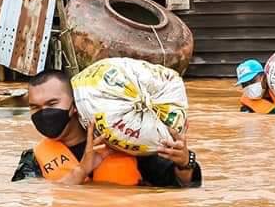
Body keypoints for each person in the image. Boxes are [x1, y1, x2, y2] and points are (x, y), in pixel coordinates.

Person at [12, 69, 202, 187]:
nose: (43, 113)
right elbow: (31, 201)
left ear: (75, 104)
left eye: (52, 104)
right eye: (35, 107)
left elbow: (182, 189)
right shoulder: (33, 159)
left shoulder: (127, 144)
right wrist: (81, 170)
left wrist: (185, 163)